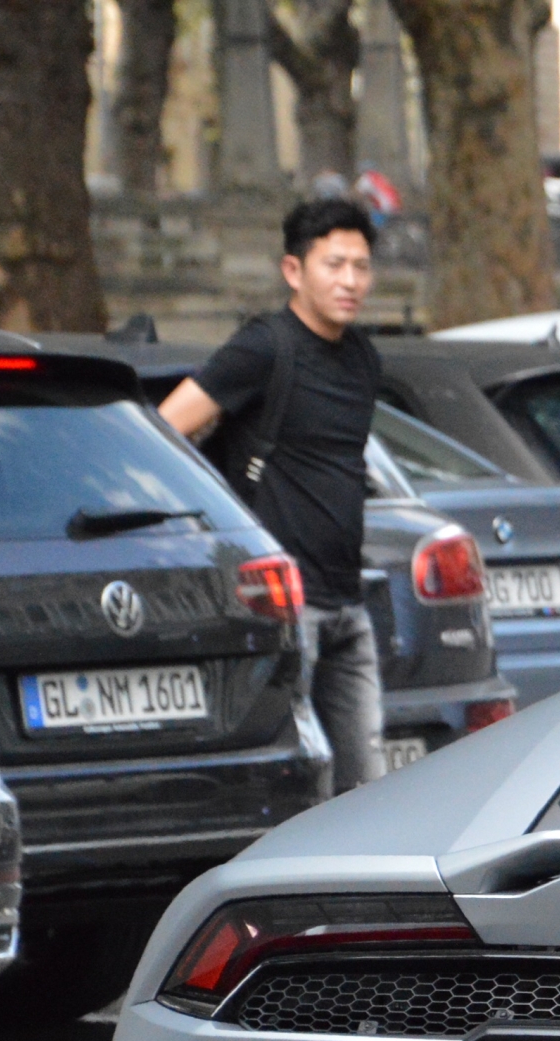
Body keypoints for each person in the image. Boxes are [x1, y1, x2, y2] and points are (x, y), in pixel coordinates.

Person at [158, 198, 387, 792]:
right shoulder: (265, 346)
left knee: (367, 778)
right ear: (294, 271)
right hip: (283, 602)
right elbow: (164, 430)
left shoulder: (362, 358)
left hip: (346, 600)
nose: (350, 281)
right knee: (304, 775)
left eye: (361, 267)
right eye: (334, 265)